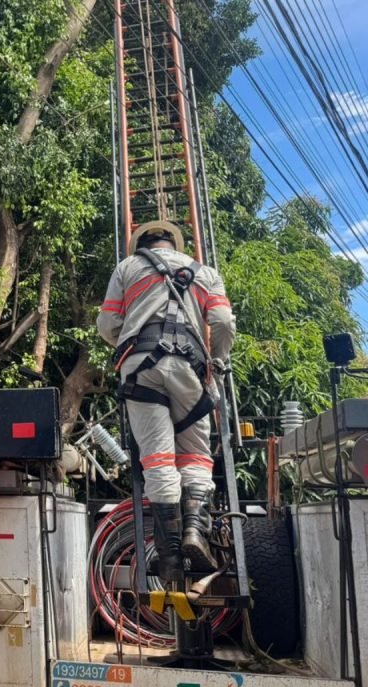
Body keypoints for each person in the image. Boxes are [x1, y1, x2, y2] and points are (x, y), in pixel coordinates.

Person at [96, 221, 236, 584]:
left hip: (141, 367)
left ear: (140, 245)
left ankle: (171, 555)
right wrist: (218, 361)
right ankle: (194, 531)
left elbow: (108, 323)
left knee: (158, 457)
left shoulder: (127, 268)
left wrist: (129, 337)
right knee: (196, 454)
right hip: (191, 368)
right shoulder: (205, 272)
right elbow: (222, 322)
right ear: (174, 243)